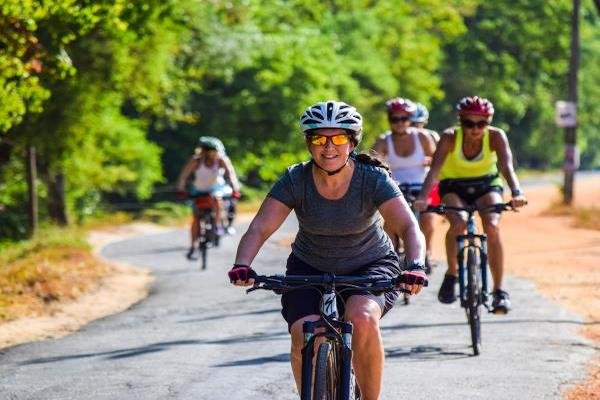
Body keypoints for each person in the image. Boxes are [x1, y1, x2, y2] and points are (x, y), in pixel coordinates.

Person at [228, 100, 428, 400]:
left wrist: (415, 265)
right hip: (309, 266)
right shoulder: (296, 178)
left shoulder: (372, 178)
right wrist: (242, 264)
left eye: (338, 138)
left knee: (361, 318)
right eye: (319, 138)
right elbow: (260, 227)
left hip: (370, 264)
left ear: (352, 141)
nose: (329, 147)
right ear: (309, 143)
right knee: (305, 333)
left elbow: (409, 226)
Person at [414, 96, 528, 313]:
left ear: (489, 122)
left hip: (487, 185)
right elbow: (435, 171)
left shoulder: (496, 137)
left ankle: (499, 291)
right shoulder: (449, 137)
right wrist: (423, 197)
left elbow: (507, 167)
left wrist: (516, 192)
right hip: (453, 186)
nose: (475, 129)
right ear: (460, 121)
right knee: (457, 223)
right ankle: (452, 273)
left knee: (492, 226)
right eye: (469, 123)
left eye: (481, 123)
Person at [373, 97, 437, 273]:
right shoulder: (384, 140)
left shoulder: (422, 137)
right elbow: (373, 162)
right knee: (389, 224)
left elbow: (437, 163)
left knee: (428, 218)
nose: (399, 123)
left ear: (410, 119)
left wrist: (429, 162)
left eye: (404, 118)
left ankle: (426, 253)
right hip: (395, 186)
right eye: (395, 119)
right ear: (389, 119)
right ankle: (390, 260)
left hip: (421, 186)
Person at [177, 136, 241, 259]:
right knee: (196, 218)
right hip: (199, 190)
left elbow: (231, 174)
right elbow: (184, 176)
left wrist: (235, 189)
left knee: (217, 199)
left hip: (217, 189)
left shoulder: (222, 160)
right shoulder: (195, 161)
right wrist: (181, 189)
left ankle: (217, 226)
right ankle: (194, 247)